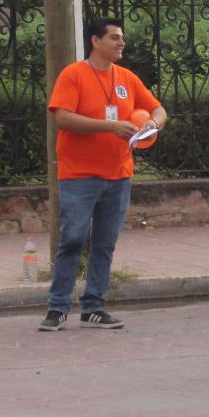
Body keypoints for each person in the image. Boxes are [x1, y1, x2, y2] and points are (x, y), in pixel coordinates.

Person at [38, 17, 167, 332]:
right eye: (114, 37)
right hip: (80, 175)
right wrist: (109, 126)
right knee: (72, 239)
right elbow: (64, 119)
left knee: (105, 242)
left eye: (121, 38)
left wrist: (153, 124)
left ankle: (94, 306)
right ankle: (57, 308)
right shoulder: (74, 75)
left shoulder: (127, 78)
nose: (121, 43)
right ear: (95, 41)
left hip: (119, 175)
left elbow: (159, 110)